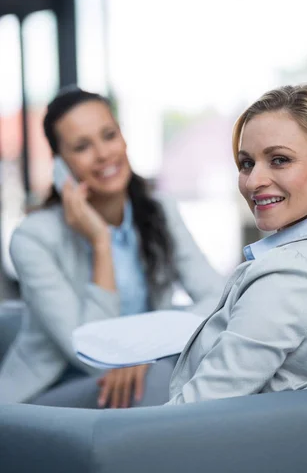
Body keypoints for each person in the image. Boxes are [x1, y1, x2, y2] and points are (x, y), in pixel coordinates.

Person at [167, 84, 307, 404]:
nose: (253, 181)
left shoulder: (290, 274)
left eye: (279, 160)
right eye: (246, 163)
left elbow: (191, 413)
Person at [0, 87, 223, 407]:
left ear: (124, 139)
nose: (104, 153)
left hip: (139, 373)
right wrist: (100, 242)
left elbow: (218, 297)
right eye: (82, 146)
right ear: (60, 164)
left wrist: (148, 350)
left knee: (185, 373)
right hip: (52, 388)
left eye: (109, 135)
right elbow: (89, 352)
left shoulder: (160, 211)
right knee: (164, 384)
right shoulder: (32, 238)